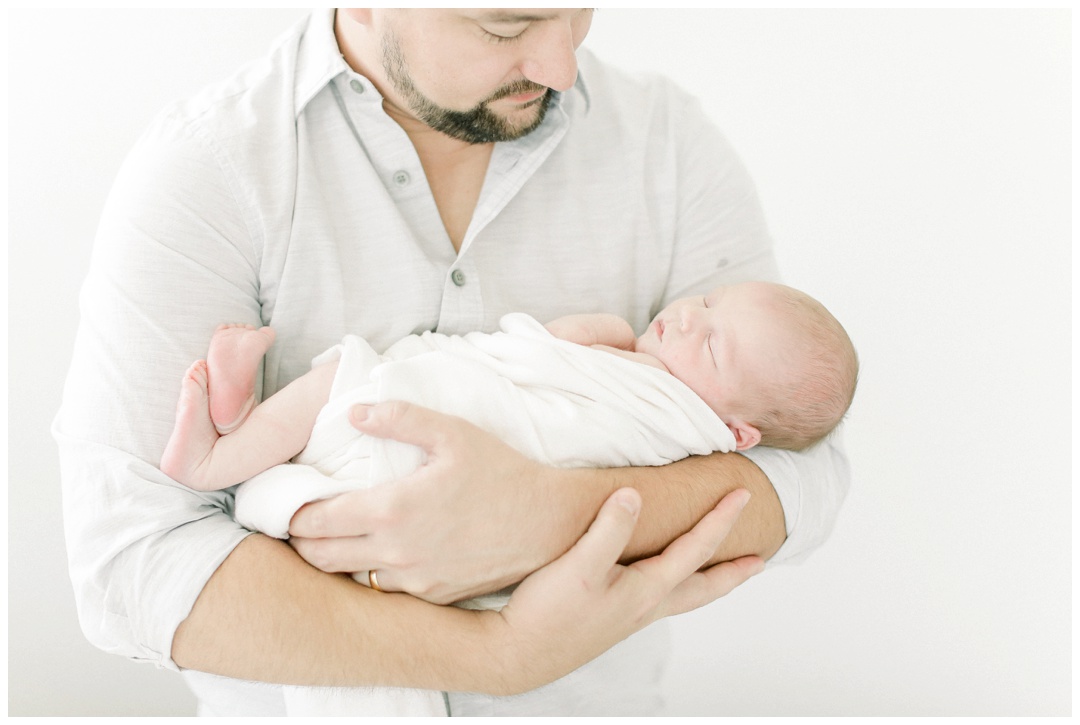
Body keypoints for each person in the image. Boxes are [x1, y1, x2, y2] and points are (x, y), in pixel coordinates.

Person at [54, 9, 850, 716]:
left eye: (578, 15)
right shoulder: (213, 165)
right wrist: (500, 652)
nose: (561, 66)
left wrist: (549, 509)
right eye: (504, 27)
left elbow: (799, 474)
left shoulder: (667, 146)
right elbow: (131, 565)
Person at [160, 281, 858, 492]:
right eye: (705, 302)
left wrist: (599, 329)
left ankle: (215, 454)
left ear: (738, 433)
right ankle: (234, 416)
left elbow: (547, 354)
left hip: (445, 432)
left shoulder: (675, 425)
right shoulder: (681, 414)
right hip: (440, 402)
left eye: (709, 341)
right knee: (345, 386)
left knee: (340, 386)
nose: (683, 317)